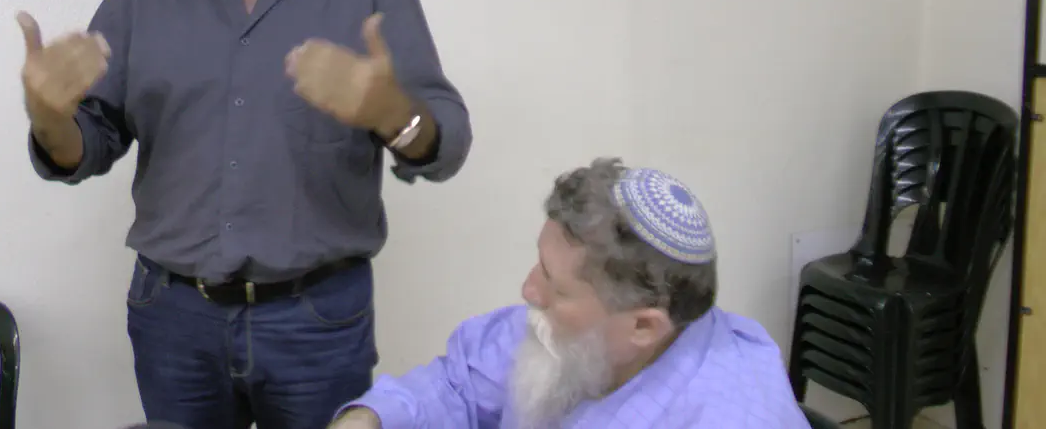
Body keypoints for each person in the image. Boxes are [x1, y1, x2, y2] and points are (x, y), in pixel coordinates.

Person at [16, 0, 472, 429]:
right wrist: (48, 118)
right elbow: (85, 147)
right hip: (174, 317)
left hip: (316, 319)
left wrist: (394, 116)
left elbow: (446, 142)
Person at [330, 158, 812, 428]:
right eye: (541, 267)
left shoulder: (732, 416)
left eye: (555, 286)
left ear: (643, 326)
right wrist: (369, 419)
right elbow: (459, 386)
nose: (528, 290)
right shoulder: (573, 331)